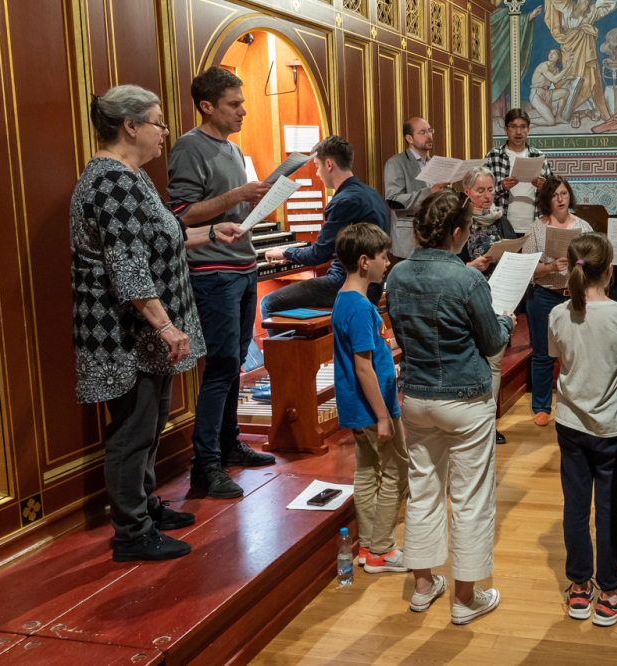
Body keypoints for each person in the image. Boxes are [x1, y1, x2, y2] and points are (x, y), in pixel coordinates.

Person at [72, 85, 241, 561]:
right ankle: (132, 534)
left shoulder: (135, 176)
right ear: (130, 126)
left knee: (147, 427)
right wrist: (166, 326)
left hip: (144, 333)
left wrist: (212, 231)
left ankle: (145, 508)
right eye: (158, 122)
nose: (165, 132)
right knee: (132, 432)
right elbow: (127, 267)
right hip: (124, 334)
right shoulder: (112, 181)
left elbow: (164, 237)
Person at [386, 190, 516, 625]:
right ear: (458, 231)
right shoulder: (466, 279)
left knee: (423, 491)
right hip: (464, 399)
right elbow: (492, 342)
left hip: (416, 396)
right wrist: (505, 321)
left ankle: (423, 587)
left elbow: (401, 334)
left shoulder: (397, 275)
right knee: (470, 498)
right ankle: (464, 599)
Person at [167, 67, 275, 501]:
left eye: (242, 103)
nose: (243, 111)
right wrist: (237, 196)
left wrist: (259, 200)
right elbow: (181, 215)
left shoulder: (232, 148)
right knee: (222, 366)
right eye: (234, 104)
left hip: (242, 266)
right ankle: (205, 465)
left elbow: (231, 211)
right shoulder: (189, 147)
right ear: (207, 106)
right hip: (213, 272)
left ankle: (229, 443)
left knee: (234, 364)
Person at [548, 232, 617, 626]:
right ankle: (611, 594)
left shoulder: (557, 314)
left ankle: (579, 588)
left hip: (569, 423)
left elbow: (559, 359)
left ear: (572, 268)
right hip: (610, 427)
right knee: (608, 508)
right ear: (610, 271)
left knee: (575, 505)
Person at [331, 223, 409, 575]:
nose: (388, 262)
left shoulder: (344, 299)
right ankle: (381, 550)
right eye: (383, 256)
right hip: (374, 407)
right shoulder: (361, 308)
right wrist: (382, 415)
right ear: (364, 261)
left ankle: (367, 547)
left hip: (356, 406)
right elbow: (364, 368)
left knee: (366, 470)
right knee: (396, 470)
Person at [259, 136, 390, 318]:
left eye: (316, 166)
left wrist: (284, 252)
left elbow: (318, 255)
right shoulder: (371, 192)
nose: (317, 174)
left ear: (329, 164)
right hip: (372, 282)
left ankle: (296, 340)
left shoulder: (344, 201)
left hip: (346, 283)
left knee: (268, 303)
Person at [521, 176, 593, 425]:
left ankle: (576, 403)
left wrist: (577, 263)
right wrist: (551, 266)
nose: (560, 199)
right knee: (543, 354)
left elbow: (591, 260)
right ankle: (541, 407)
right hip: (543, 295)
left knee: (577, 353)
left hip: (574, 296)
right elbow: (529, 270)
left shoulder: (583, 226)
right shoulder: (535, 228)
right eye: (554, 195)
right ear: (546, 200)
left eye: (564, 193)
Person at [458, 166, 517, 445]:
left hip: (498, 296)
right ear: (467, 192)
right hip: (466, 298)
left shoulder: (501, 220)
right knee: (469, 362)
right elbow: (447, 264)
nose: (487, 196)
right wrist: (471, 266)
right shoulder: (458, 222)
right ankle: (467, 423)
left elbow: (516, 248)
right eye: (480, 190)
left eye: (490, 190)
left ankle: (488, 425)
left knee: (494, 363)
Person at [484, 109, 554, 236]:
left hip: (534, 226)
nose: (518, 132)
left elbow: (553, 193)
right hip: (501, 226)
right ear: (506, 130)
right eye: (513, 127)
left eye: (522, 127)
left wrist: (545, 188)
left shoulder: (539, 156)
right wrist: (501, 187)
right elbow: (482, 194)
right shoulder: (493, 156)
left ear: (528, 130)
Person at [383, 117, 445, 211]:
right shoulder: (396, 163)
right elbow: (394, 200)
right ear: (409, 138)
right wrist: (429, 191)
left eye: (430, 131)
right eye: (423, 132)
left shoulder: (434, 164)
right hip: (412, 220)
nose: (429, 136)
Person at [529, 50, 569, 126]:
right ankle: (527, 120)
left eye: (554, 53)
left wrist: (566, 78)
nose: (551, 54)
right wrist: (567, 68)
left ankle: (558, 117)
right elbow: (554, 79)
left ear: (558, 57)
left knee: (565, 92)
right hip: (536, 94)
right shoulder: (543, 66)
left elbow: (557, 85)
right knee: (551, 122)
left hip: (546, 93)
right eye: (550, 53)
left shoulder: (556, 69)